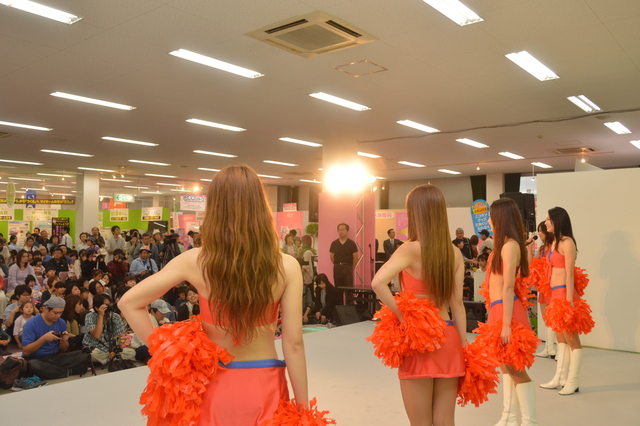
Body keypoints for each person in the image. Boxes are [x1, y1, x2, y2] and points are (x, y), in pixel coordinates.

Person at [118, 165, 314, 426]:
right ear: (261, 207)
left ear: (215, 208)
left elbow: (129, 302)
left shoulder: (195, 260)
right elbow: (294, 344)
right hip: (265, 388)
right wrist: (303, 411)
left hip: (210, 388)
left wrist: (170, 355)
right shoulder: (287, 266)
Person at [368, 185, 467, 425]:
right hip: (449, 338)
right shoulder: (454, 252)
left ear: (415, 213)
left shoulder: (409, 249)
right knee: (445, 422)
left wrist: (402, 315)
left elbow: (378, 283)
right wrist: (464, 345)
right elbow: (457, 303)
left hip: (419, 341)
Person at [474, 198, 539, 426]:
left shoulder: (510, 246)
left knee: (516, 370)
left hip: (507, 312)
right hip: (498, 310)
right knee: (506, 368)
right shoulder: (502, 245)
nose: (489, 221)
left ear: (500, 218)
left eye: (491, 216)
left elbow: (509, 286)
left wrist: (506, 325)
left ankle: (529, 422)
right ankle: (508, 418)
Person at [540, 207, 593, 396]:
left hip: (565, 296)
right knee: (560, 339)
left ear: (557, 220)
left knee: (572, 340)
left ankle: (573, 380)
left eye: (548, 219)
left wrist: (569, 301)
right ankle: (560, 377)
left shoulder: (567, 242)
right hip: (555, 296)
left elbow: (570, 273)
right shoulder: (554, 242)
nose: (546, 222)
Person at [21, 297, 89, 379]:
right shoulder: (31, 324)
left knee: (84, 355)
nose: (58, 316)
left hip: (54, 357)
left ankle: (54, 371)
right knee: (33, 365)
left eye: (60, 313)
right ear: (46, 309)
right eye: (55, 313)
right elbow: (26, 351)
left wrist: (63, 340)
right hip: (36, 358)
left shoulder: (61, 322)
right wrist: (43, 339)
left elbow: (64, 349)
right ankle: (68, 371)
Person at [525, 221, 557, 359]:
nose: (539, 233)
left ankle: (557, 348)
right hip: (543, 286)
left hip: (553, 286)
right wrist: (529, 248)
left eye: (541, 230)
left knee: (554, 318)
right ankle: (549, 348)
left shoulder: (555, 246)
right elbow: (531, 264)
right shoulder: (542, 248)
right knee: (546, 318)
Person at [83, 293, 136, 365]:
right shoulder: (89, 316)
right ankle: (112, 360)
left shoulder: (115, 316)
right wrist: (101, 317)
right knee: (92, 355)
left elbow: (120, 336)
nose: (108, 307)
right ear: (97, 308)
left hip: (109, 348)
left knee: (131, 353)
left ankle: (109, 359)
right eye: (106, 305)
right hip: (95, 348)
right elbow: (96, 335)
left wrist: (114, 351)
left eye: (109, 304)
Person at [329, 223, 358, 291]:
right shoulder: (334, 243)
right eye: (339, 230)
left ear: (347, 231)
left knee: (349, 289)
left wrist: (351, 268)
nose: (341, 232)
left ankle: (349, 298)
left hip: (348, 267)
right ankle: (339, 299)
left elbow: (355, 258)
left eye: (343, 230)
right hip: (337, 268)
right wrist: (337, 265)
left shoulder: (352, 243)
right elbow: (332, 257)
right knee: (338, 288)